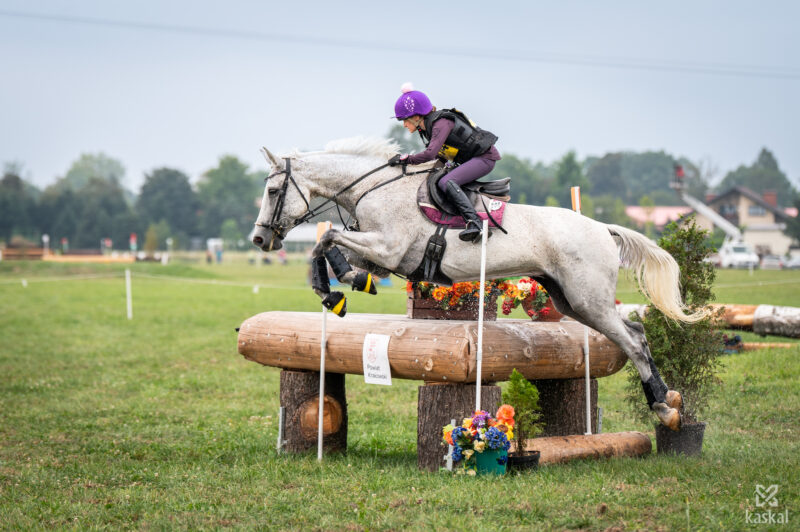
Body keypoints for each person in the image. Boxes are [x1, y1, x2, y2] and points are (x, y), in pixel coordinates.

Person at [388, 83, 501, 243]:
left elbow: (430, 154)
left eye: (404, 120)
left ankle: (476, 223)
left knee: (446, 182)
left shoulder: (440, 123)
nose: (404, 125)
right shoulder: (428, 127)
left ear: (416, 116)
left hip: (485, 158)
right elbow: (439, 158)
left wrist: (406, 159)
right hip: (473, 159)